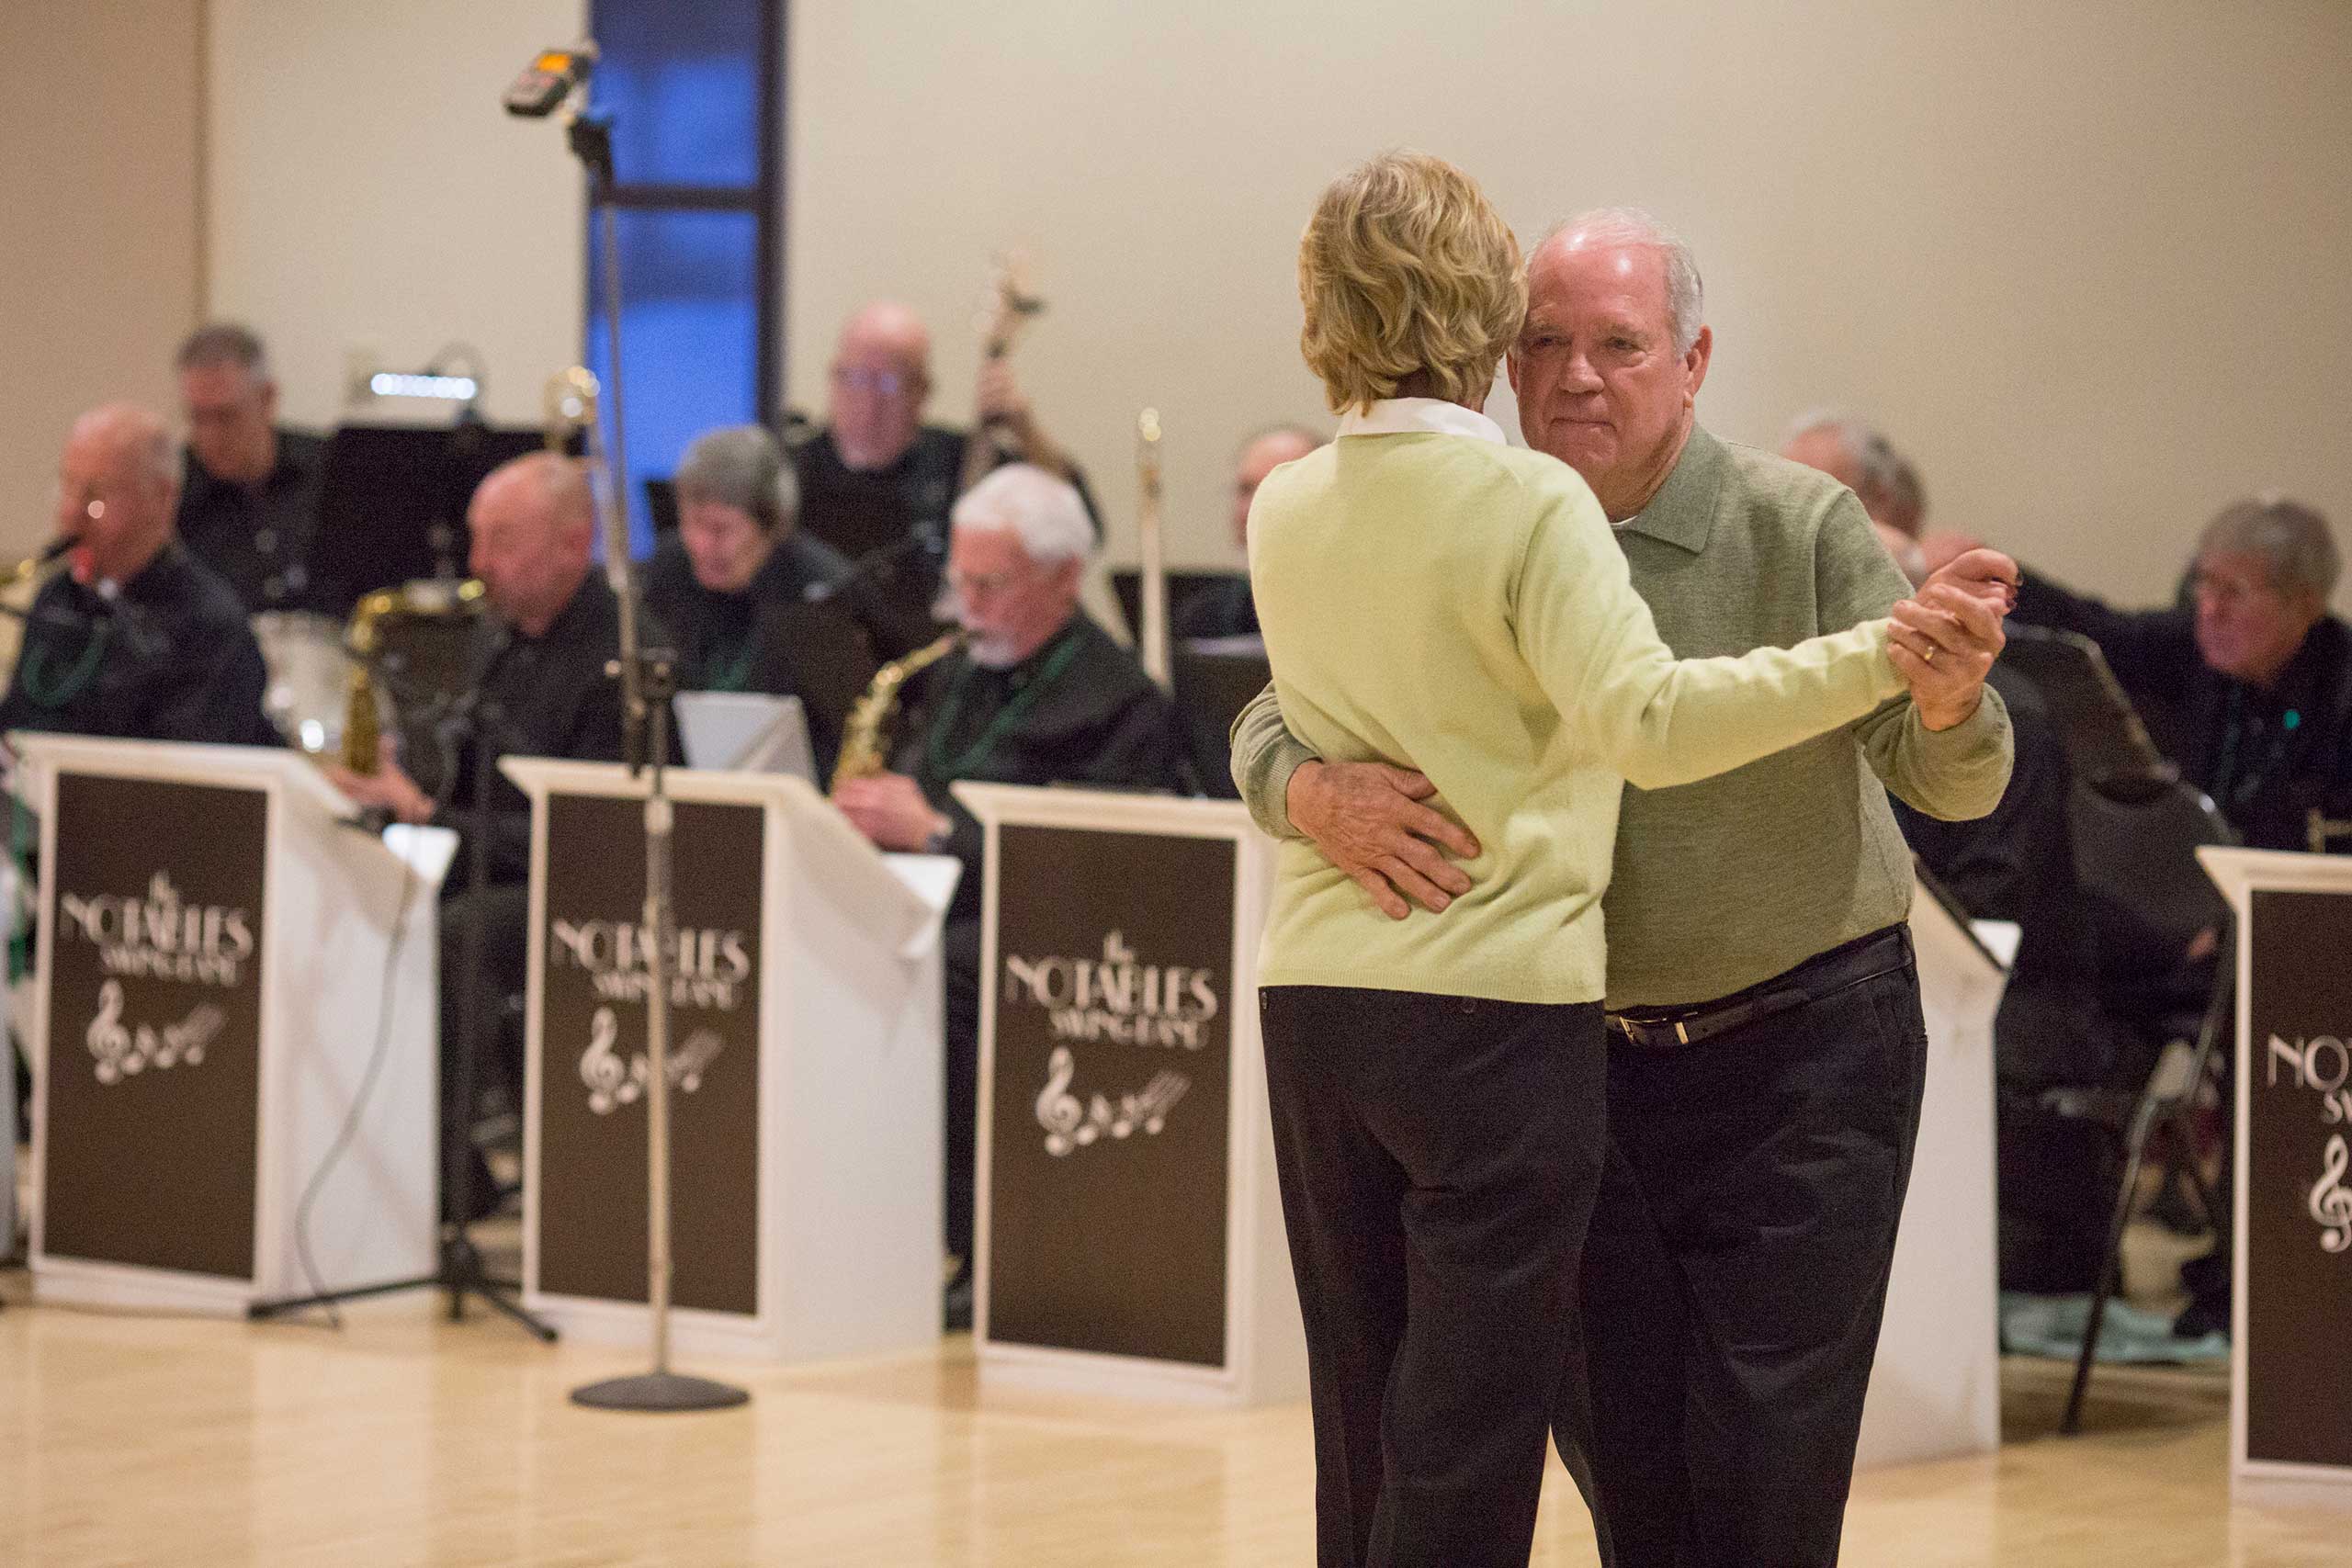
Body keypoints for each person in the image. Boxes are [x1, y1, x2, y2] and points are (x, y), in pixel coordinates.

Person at [1239, 157, 2012, 1568]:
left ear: (1694, 361)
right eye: (1545, 342)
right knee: (1630, 1488)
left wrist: (1940, 690)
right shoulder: (1483, 505)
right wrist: (1302, 785)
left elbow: (1949, 771)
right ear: (1492, 349)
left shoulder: (1799, 524)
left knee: (1766, 1485)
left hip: (1798, 1060)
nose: (1576, 375)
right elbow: (1279, 706)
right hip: (1571, 1064)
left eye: (1619, 345)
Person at [831, 461, 1192, 1328]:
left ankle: (968, 1235)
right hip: (936, 905)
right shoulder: (962, 670)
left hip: (1054, 939)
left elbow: (1098, 866)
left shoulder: (1120, 700)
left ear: (1065, 578)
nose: (968, 605)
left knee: (944, 980)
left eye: (991, 584)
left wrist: (935, 833)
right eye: (960, 581)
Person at [327, 453, 628, 1220]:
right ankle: (402, 1162)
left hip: (585, 892)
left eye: (501, 541)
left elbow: (590, 840)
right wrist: (401, 792)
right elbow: (475, 782)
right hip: (487, 857)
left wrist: (428, 817)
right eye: (477, 539)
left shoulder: (619, 656)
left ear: (572, 544)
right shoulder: (501, 636)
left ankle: (441, 1182)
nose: (478, 563)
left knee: (454, 934)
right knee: (350, 894)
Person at [1927, 497, 2352, 853]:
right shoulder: (2191, 645)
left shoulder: (2341, 690)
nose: (2210, 609)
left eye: (2233, 593)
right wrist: (1999, 578)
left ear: (2305, 604)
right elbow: (2097, 629)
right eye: (2206, 584)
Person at [789, 301, 1098, 656]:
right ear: (833, 376)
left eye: (888, 383)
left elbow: (1081, 528)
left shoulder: (961, 460)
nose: (869, 401)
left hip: (941, 665)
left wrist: (1026, 430)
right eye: (857, 378)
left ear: (923, 391)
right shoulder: (793, 469)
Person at [0, 403, 277, 749]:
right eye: (67, 487)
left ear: (162, 497)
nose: (71, 516)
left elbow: (187, 781)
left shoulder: (211, 626)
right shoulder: (56, 597)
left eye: (96, 496)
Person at [641, 424, 877, 768]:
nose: (702, 545)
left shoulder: (821, 592)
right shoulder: (669, 571)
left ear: (772, 526)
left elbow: (842, 734)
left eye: (721, 529)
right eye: (692, 523)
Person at [171, 323, 339, 615]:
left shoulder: (331, 469)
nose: (209, 437)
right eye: (198, 418)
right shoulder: (174, 492)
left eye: (226, 417)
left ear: (267, 399)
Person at [1172, 423, 1324, 640]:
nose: (1254, 505)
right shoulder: (1204, 619)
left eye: (1274, 487)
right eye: (1246, 489)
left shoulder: (1351, 611)